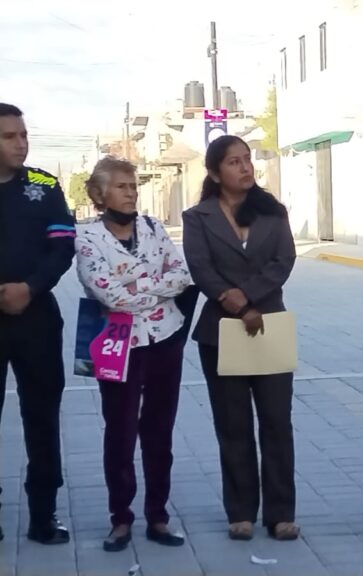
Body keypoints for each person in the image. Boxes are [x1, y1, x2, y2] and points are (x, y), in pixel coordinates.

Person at [181, 135, 299, 542]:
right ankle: (241, 511)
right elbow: (201, 268)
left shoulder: (273, 212)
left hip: (269, 326)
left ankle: (281, 512)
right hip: (221, 332)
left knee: (277, 423)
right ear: (215, 173)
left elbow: (284, 261)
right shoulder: (198, 218)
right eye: (234, 162)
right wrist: (233, 303)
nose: (245, 168)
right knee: (233, 426)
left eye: (247, 160)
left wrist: (248, 297)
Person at [74, 157, 192, 551]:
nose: (131, 192)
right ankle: (120, 518)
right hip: (116, 342)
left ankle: (158, 515)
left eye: (133, 186)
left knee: (160, 431)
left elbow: (181, 274)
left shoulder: (154, 227)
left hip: (165, 338)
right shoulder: (87, 238)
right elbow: (106, 292)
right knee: (120, 432)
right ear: (99, 193)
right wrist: (154, 285)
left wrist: (138, 286)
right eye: (122, 186)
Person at [0, 102, 76, 545]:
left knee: (42, 418)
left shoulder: (44, 186)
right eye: (10, 136)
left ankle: (43, 515)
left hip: (37, 320)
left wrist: (29, 288)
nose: (21, 143)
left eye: (23, 134)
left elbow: (62, 247)